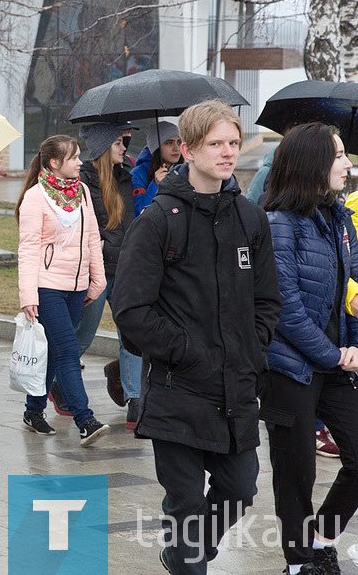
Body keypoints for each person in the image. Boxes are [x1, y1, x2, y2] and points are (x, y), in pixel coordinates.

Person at [113, 101, 281, 573]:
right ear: (186, 149)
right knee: (185, 508)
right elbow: (131, 310)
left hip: (236, 389)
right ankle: (188, 559)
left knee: (240, 489)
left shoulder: (251, 218)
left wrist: (252, 349)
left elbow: (268, 301)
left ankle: (184, 555)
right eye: (215, 144)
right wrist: (186, 353)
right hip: (177, 392)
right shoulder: (158, 219)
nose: (227, 153)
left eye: (232, 142)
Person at [262, 122, 358, 575]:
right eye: (338, 155)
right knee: (296, 475)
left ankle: (320, 541)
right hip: (290, 368)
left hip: (334, 364)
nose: (347, 163)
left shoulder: (339, 219)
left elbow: (350, 285)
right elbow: (285, 308)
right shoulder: (280, 224)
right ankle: (299, 563)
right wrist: (335, 354)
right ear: (311, 164)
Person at [17, 135, 108, 445]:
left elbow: (93, 237)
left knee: (56, 355)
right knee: (68, 351)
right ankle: (86, 420)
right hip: (47, 287)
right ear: (55, 163)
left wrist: (98, 281)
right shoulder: (35, 197)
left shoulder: (81, 191)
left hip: (77, 286)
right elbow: (28, 249)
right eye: (74, 158)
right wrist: (28, 296)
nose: (80, 162)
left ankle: (33, 410)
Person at [74, 122, 140, 427]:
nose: (124, 148)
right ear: (101, 147)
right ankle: (58, 381)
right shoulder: (82, 179)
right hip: (96, 270)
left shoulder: (126, 175)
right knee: (83, 334)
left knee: (133, 334)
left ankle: (136, 400)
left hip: (126, 268)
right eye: (117, 143)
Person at [131, 120, 182, 216]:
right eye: (169, 143)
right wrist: (155, 185)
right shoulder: (138, 175)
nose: (176, 148)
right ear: (156, 147)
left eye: (179, 142)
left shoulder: (183, 170)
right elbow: (138, 214)